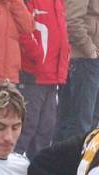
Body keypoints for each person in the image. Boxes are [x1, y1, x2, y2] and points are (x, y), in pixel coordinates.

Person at [15, 0, 69, 157]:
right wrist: (36, 55)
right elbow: (22, 28)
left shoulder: (58, 3)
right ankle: (8, 172)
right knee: (25, 129)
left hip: (52, 78)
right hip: (32, 76)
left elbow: (61, 36)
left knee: (46, 130)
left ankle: (37, 174)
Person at [53, 0, 99, 141]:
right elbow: (72, 20)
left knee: (87, 124)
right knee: (79, 124)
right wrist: (91, 50)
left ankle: (74, 160)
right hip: (84, 60)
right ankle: (70, 162)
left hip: (94, 61)